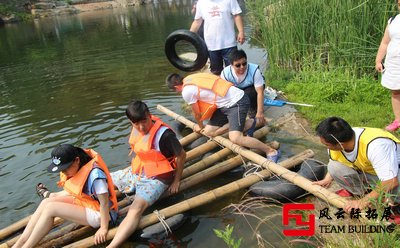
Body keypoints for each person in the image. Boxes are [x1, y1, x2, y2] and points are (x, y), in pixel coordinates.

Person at [107, 100, 186, 247]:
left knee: (136, 208)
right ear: (131, 122)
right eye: (136, 124)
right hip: (140, 170)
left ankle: (112, 246)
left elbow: (181, 155)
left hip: (159, 177)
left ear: (149, 115)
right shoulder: (137, 128)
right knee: (105, 179)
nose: (141, 127)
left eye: (144, 121)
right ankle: (52, 198)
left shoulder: (165, 135)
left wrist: (176, 180)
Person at [13, 144, 118, 248]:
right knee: (46, 202)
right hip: (88, 204)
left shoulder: (96, 176)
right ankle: (20, 243)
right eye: (61, 169)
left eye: (65, 168)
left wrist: (104, 228)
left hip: (103, 215)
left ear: (77, 160)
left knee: (51, 208)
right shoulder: (78, 166)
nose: (64, 172)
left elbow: (104, 203)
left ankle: (27, 246)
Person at [165, 72, 279, 162]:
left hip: (237, 101)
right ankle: (250, 123)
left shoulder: (186, 91)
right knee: (209, 131)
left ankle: (270, 151)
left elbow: (197, 113)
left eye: (175, 90)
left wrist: (199, 127)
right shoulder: (190, 78)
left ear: (176, 87)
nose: (177, 92)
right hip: (223, 104)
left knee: (235, 138)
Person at [313, 117, 400, 214]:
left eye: (326, 145)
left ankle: (395, 207)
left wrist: (363, 202)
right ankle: (366, 193)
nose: (325, 147)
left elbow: (391, 181)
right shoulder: (339, 138)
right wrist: (327, 179)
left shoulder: (375, 146)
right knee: (334, 167)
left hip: (394, 175)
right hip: (372, 173)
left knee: (395, 187)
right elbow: (336, 159)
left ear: (340, 145)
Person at [190, 0, 245, 75]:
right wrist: (188, 36)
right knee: (216, 71)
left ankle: (235, 86)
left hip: (229, 43)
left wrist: (241, 32)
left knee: (233, 70)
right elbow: (197, 21)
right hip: (211, 45)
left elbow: (237, 15)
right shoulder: (201, 3)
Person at [221, 49, 266, 124]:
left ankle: (253, 109)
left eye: (244, 64)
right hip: (236, 88)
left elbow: (260, 92)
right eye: (238, 65)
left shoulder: (254, 71)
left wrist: (260, 112)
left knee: (250, 94)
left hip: (251, 88)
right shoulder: (225, 73)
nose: (242, 67)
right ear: (231, 65)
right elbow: (223, 93)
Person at [375, 0, 400, 131]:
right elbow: (385, 42)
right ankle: (398, 120)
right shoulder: (393, 20)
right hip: (394, 63)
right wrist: (379, 60)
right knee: (395, 91)